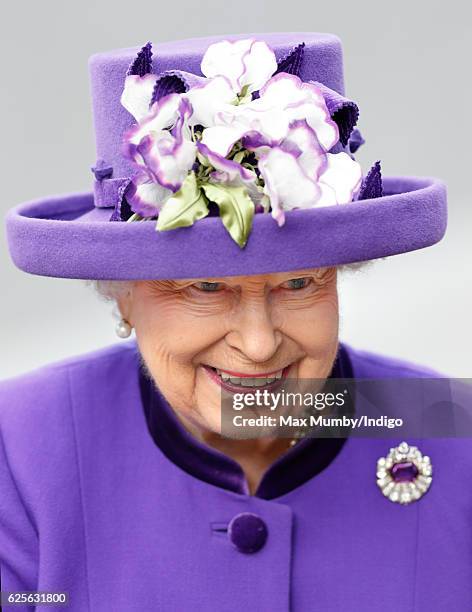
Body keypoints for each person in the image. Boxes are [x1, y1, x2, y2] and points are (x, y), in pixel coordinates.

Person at [1, 33, 470, 611]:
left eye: (298, 283)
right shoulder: (18, 449)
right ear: (121, 296)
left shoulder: (456, 429)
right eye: (205, 288)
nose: (258, 344)